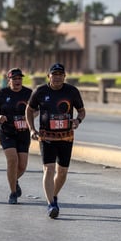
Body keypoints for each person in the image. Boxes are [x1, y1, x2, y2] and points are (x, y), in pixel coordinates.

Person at [25, 63, 86, 219]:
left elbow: (81, 110)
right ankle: (51, 204)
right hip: (46, 137)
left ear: (64, 77)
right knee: (49, 169)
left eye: (60, 74)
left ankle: (53, 195)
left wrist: (78, 120)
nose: (57, 77)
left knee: (63, 173)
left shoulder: (72, 91)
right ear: (49, 76)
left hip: (66, 137)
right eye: (54, 74)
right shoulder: (40, 91)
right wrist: (32, 129)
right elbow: (29, 109)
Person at [0, 68, 33, 204]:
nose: (17, 81)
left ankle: (14, 180)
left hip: (23, 133)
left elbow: (36, 110)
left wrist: (29, 118)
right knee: (12, 160)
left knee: (22, 166)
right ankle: (13, 192)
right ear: (9, 80)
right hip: (7, 132)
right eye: (14, 79)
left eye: (19, 78)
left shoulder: (28, 93)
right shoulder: (3, 93)